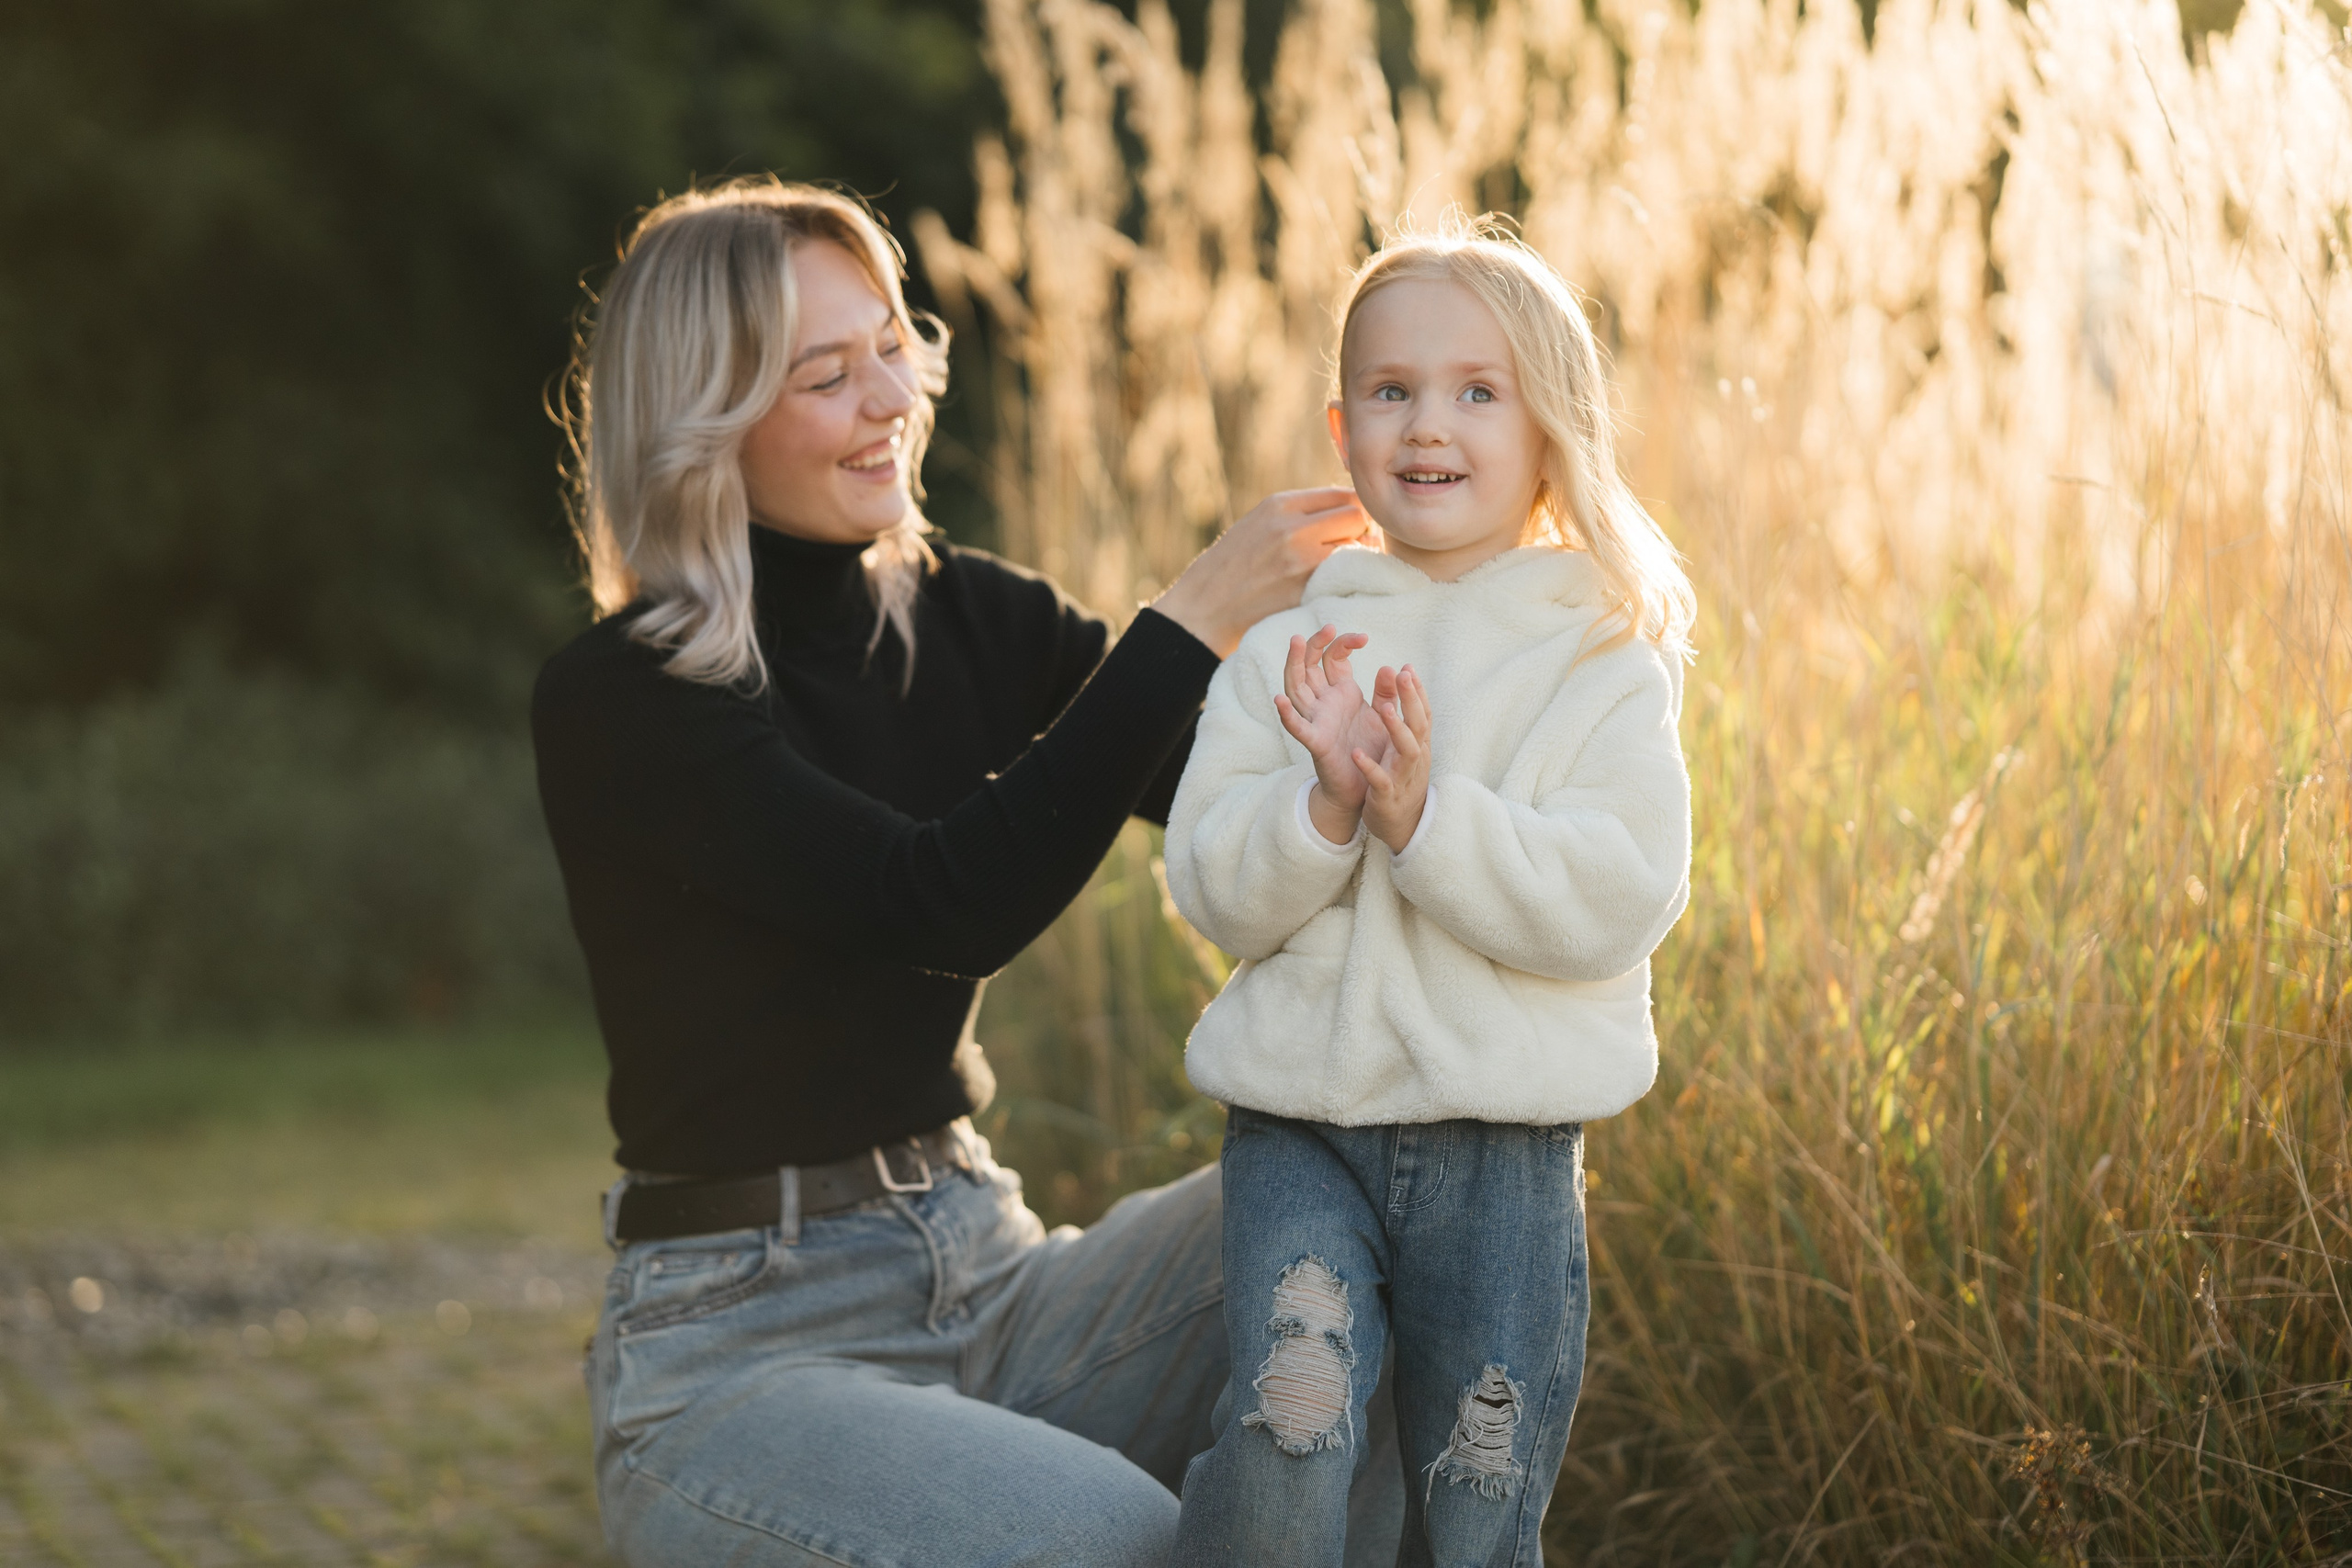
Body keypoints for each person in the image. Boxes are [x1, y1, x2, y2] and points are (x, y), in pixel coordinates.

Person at [530, 176, 1393, 1566]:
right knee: (1124, 1542)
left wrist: (1372, 749)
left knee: (1407, 1194)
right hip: (741, 1353)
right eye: (828, 373)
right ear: (704, 423)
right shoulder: (622, 701)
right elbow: (939, 905)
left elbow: (1223, 797)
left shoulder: (972, 615)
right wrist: (1186, 623)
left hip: (991, 1267)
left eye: (893, 344)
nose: (891, 398)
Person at [1161, 220, 1698, 1566]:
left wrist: (1423, 817)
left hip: (1504, 1153)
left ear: (1550, 430)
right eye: (1391, 391)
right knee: (1294, 1428)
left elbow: (1617, 892)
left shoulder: (1599, 657)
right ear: (1344, 429)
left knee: (1476, 1493)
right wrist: (1327, 808)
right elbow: (1216, 888)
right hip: (1307, 1127)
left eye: (1476, 389)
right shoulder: (1287, 651)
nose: (1427, 423)